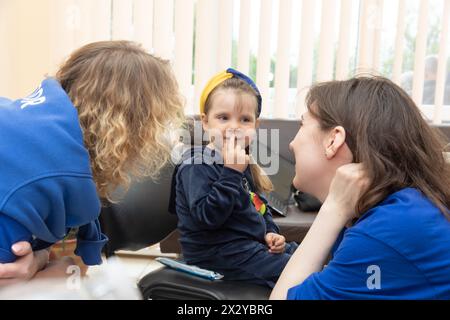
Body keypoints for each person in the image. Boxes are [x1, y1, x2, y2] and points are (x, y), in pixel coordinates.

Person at [0, 40, 184, 284]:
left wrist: (41, 261)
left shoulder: (30, 124)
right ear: (129, 127)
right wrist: (47, 268)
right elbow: (9, 276)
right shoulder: (44, 179)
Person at [271, 76, 450, 300]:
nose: (292, 143)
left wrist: (332, 209)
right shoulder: (390, 211)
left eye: (302, 125)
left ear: (333, 140)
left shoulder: (387, 229)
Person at [171, 68, 298, 288]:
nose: (234, 127)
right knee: (299, 270)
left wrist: (270, 232)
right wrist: (231, 172)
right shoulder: (196, 164)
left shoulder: (240, 161)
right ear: (206, 122)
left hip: (245, 247)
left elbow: (258, 206)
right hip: (216, 254)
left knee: (306, 254)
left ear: (256, 126)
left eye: (245, 120)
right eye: (223, 117)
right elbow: (207, 218)